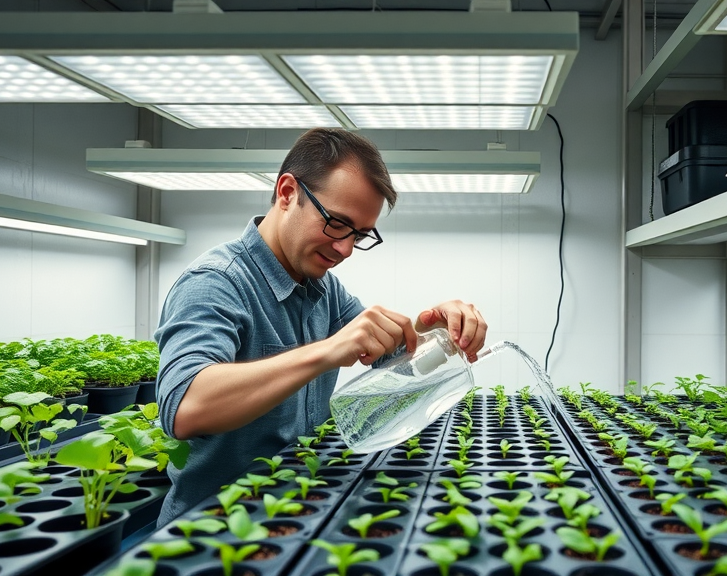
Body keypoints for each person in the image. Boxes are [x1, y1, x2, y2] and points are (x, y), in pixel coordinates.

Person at [153, 128, 488, 527]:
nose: (345, 248)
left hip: (290, 516)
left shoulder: (321, 287)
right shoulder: (216, 281)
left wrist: (434, 329)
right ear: (287, 192)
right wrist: (326, 351)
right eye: (336, 223)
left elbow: (393, 357)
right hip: (210, 531)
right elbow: (184, 408)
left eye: (360, 234)